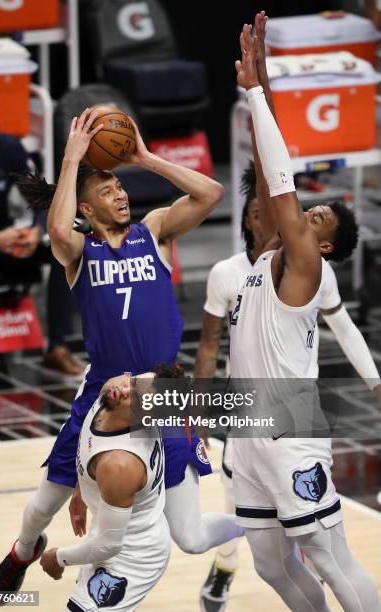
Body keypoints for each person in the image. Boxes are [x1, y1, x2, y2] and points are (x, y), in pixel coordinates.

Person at [0, 107, 243, 602]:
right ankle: (22, 551)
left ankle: (260, 527)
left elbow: (211, 192)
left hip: (163, 391)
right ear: (85, 209)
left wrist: (146, 158)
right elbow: (58, 233)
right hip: (104, 390)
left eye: (120, 187)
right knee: (43, 503)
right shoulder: (80, 251)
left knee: (190, 537)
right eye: (106, 192)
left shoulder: (155, 231)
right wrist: (72, 160)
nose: (120, 194)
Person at [199, 15, 381, 604]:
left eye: (316, 217)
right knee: (272, 564)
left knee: (329, 555)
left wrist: (254, 92)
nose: (303, 216)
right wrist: (262, 86)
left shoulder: (308, 266)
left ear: (323, 245)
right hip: (248, 425)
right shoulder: (267, 257)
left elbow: (281, 182)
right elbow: (268, 168)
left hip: (290, 423)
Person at [40, 365, 179, 611]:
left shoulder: (120, 464)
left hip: (133, 557)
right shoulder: (112, 392)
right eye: (134, 381)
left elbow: (107, 545)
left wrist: (58, 558)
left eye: (136, 398)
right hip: (112, 533)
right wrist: (81, 488)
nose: (125, 389)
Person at [0, 90, 82, 375]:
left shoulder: (10, 149)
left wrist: (35, 232)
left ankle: (56, 347)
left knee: (64, 246)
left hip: (9, 243)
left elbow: (42, 200)